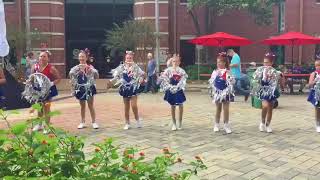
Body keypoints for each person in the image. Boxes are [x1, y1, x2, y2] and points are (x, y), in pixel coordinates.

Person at [107, 51, 144, 130]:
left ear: (132, 58)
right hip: (125, 88)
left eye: (130, 58)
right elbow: (116, 76)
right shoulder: (121, 67)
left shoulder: (136, 67)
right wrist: (112, 82)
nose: (129, 59)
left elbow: (141, 74)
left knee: (134, 106)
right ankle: (127, 123)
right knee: (126, 106)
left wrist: (141, 79)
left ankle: (137, 120)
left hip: (133, 88)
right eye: (127, 58)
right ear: (125, 58)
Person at [252, 52, 284, 133]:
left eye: (267, 62)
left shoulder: (275, 71)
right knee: (265, 106)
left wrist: (281, 78)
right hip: (263, 90)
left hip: (272, 91)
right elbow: (254, 78)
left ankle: (268, 124)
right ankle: (262, 122)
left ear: (271, 63)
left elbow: (280, 80)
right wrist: (256, 83)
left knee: (270, 108)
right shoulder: (260, 70)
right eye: (264, 62)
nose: (265, 64)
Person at [32, 51, 61, 133]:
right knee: (39, 108)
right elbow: (31, 77)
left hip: (48, 90)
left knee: (46, 108)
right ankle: (39, 124)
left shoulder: (51, 68)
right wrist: (31, 85)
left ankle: (47, 126)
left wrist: (51, 83)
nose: (42, 58)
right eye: (41, 56)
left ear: (48, 58)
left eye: (44, 56)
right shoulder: (35, 67)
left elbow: (58, 79)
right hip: (38, 90)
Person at [69, 49, 99, 129]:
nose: (81, 58)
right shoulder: (76, 68)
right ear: (78, 58)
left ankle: (94, 122)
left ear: (86, 58)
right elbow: (71, 77)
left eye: (83, 57)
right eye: (80, 57)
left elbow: (97, 76)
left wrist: (92, 70)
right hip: (80, 88)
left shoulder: (90, 67)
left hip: (89, 88)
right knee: (82, 106)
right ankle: (82, 122)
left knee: (90, 105)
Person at [159, 54, 188, 131]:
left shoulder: (181, 71)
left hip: (178, 89)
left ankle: (180, 122)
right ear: (171, 62)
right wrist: (168, 85)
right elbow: (164, 78)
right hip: (171, 89)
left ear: (179, 62)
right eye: (173, 61)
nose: (175, 62)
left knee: (181, 105)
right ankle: (174, 123)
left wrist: (179, 86)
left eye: (177, 61)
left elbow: (184, 79)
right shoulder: (168, 70)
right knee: (172, 105)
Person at [209, 52, 235, 134]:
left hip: (226, 92)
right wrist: (213, 92)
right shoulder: (215, 72)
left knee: (226, 109)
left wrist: (230, 77)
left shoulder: (228, 72)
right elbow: (212, 82)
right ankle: (216, 124)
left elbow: (233, 82)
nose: (219, 64)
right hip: (218, 92)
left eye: (220, 62)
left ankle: (226, 125)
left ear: (224, 63)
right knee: (218, 108)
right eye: (217, 62)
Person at [307, 60, 320, 133]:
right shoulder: (313, 74)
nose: (318, 67)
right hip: (316, 93)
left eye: (319, 65)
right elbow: (309, 84)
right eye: (316, 65)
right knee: (318, 108)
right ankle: (318, 124)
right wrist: (315, 81)